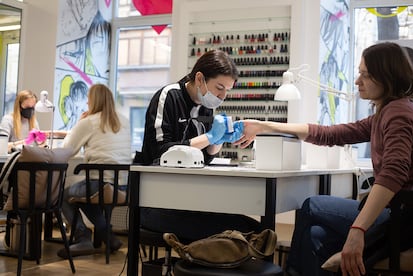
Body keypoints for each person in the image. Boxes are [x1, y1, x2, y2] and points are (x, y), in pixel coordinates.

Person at [233, 42, 413, 275]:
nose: (358, 81)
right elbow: (329, 134)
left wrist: (357, 230)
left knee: (311, 205)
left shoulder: (397, 112)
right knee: (316, 236)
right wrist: (264, 125)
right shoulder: (385, 112)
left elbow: (393, 173)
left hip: (402, 219)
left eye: (366, 75)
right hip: (397, 214)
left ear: (387, 77)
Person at [136, 49, 262, 242]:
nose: (222, 96)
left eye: (227, 90)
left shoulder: (206, 106)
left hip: (188, 199)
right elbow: (160, 153)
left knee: (254, 228)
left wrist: (220, 140)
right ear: (200, 78)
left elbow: (206, 157)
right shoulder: (169, 96)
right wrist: (211, 137)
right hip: (154, 202)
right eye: (219, 87)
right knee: (241, 233)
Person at [56, 84, 131, 258]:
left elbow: (67, 149)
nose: (87, 103)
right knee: (83, 195)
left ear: (93, 101)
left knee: (62, 195)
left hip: (100, 186)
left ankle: (83, 239)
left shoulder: (89, 121)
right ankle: (108, 236)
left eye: (88, 99)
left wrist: (79, 123)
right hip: (124, 188)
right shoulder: (124, 121)